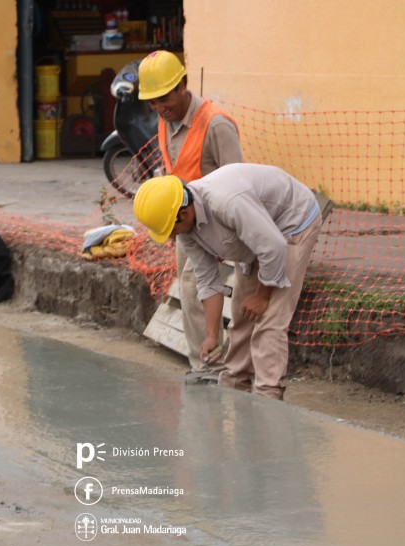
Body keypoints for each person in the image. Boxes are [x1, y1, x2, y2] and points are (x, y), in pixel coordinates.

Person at [133, 163, 325, 401]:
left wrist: (263, 296)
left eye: (171, 230)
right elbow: (208, 281)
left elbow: (274, 248)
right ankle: (235, 382)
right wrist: (212, 335)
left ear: (184, 214)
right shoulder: (186, 230)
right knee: (242, 313)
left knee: (270, 319)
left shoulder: (227, 202)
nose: (171, 237)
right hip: (258, 232)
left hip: (292, 224)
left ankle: (268, 395)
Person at [137, 50, 242, 372]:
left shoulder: (216, 124)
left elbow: (238, 184)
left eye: (164, 97)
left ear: (183, 85)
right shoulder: (165, 120)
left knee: (211, 290)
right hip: (183, 223)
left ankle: (217, 367)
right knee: (191, 290)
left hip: (217, 224)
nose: (158, 107)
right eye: (152, 102)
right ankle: (206, 364)